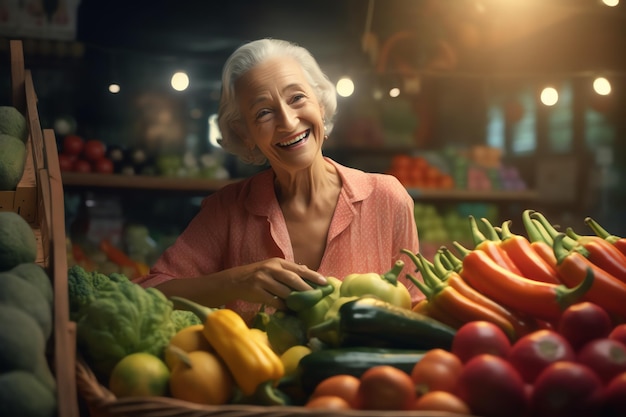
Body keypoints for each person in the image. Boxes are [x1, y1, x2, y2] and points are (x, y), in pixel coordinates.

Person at [135, 38, 422, 324]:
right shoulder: (228, 210)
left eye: (297, 98)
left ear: (320, 103)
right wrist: (234, 282)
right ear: (245, 133)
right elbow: (145, 293)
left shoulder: (387, 198)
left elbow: (418, 313)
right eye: (263, 113)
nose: (287, 122)